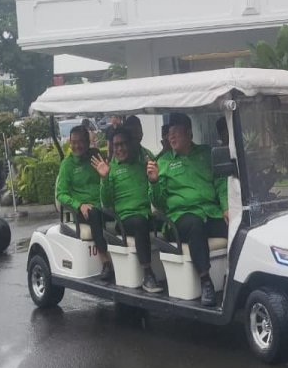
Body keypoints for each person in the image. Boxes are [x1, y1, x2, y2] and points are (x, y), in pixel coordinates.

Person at [148, 112, 228, 307]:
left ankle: (233, 277)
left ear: (189, 134)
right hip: (179, 219)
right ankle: (206, 281)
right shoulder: (163, 162)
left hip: (211, 212)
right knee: (195, 224)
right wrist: (155, 182)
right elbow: (159, 203)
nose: (172, 137)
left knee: (238, 227)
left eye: (177, 132)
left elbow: (221, 183)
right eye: (169, 134)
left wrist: (226, 207)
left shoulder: (206, 153)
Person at [92, 127, 164, 294]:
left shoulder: (142, 162)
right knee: (139, 222)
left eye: (123, 144)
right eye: (116, 145)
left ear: (131, 144)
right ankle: (148, 274)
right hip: (126, 219)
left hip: (148, 215)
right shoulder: (111, 169)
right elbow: (107, 202)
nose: (120, 149)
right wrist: (104, 179)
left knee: (174, 221)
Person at [57, 126, 113, 281]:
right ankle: (105, 262)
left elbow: (107, 176)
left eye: (81, 142)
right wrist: (78, 205)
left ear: (88, 142)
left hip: (103, 205)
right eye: (73, 142)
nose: (77, 146)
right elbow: (60, 194)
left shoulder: (95, 157)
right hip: (82, 211)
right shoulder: (67, 165)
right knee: (94, 213)